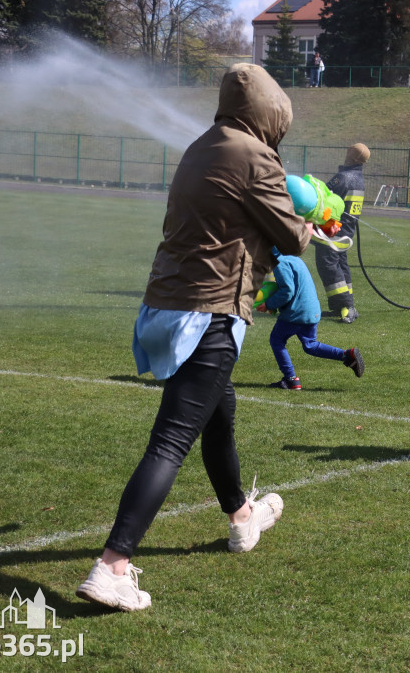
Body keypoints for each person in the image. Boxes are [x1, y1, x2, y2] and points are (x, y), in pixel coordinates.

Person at [75, 63, 312, 612]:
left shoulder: (201, 145)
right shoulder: (256, 156)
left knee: (219, 411)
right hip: (208, 314)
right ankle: (113, 566)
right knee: (171, 440)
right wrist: (320, 225)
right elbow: (290, 236)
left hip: (166, 303)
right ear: (270, 115)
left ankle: (241, 518)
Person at [261, 250, 364, 389]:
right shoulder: (293, 258)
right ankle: (347, 356)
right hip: (311, 310)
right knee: (310, 345)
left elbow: (288, 291)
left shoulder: (280, 263)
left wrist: (269, 304)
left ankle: (291, 379)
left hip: (296, 313)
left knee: (277, 340)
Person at [316, 143, 369, 323]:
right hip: (346, 230)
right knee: (341, 265)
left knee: (328, 265)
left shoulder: (343, 177)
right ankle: (344, 306)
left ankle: (346, 306)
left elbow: (324, 196)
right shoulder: (358, 178)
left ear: (352, 156)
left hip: (333, 230)